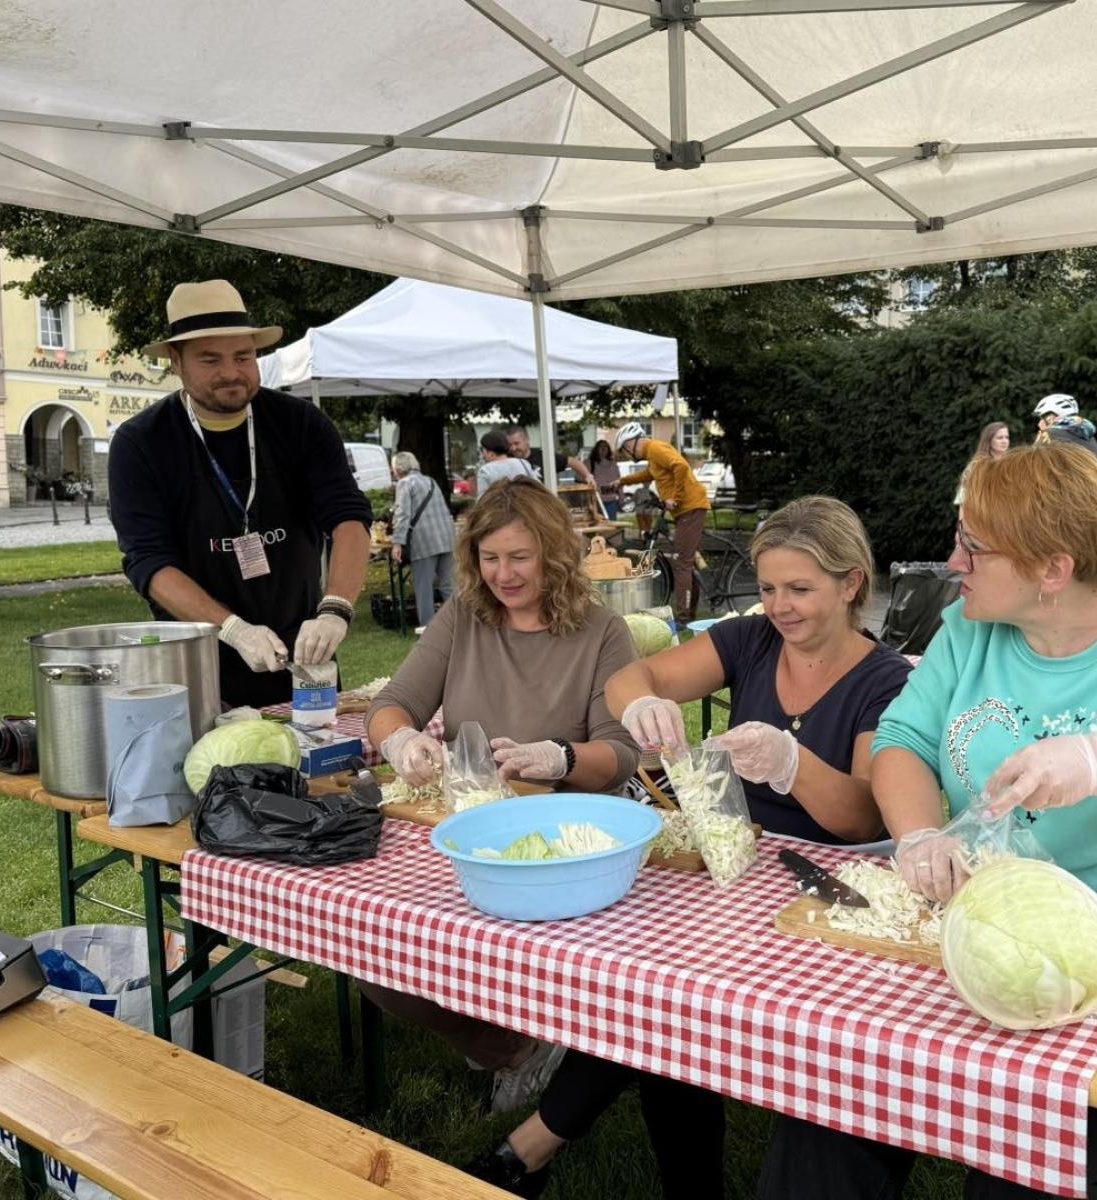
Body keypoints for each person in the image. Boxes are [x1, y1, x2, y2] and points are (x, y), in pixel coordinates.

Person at [761, 444, 1097, 1200]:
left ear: (1052, 570)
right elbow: (903, 743)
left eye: (974, 547)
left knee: (1015, 1169)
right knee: (825, 1113)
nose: (953, 562)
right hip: (972, 945)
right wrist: (921, 833)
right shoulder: (969, 631)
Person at [472, 496, 912, 1199]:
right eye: (768, 589)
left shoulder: (884, 680)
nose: (780, 607)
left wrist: (792, 763)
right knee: (648, 987)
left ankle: (534, 1148)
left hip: (821, 897)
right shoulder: (752, 641)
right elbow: (631, 678)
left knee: (665, 1002)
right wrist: (640, 701)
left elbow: (862, 817)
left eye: (800, 589)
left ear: (852, 583)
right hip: (728, 862)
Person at [362, 477, 641, 1116]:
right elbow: (390, 705)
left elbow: (619, 755)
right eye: (490, 559)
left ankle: (532, 1039)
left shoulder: (603, 631)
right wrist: (401, 741)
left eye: (520, 557)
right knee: (375, 959)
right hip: (471, 833)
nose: (504, 575)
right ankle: (511, 1048)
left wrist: (560, 758)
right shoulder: (464, 616)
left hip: (569, 844)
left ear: (553, 553)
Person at [108, 279, 371, 708]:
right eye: (210, 359)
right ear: (176, 361)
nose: (231, 372)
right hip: (195, 661)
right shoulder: (141, 443)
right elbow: (149, 562)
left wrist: (336, 608)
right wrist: (233, 629)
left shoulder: (301, 424)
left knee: (318, 769)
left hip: (305, 655)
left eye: (243, 356)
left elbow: (348, 518)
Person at [614, 421, 711, 622]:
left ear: (631, 444)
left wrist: (675, 497)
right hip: (687, 509)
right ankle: (690, 612)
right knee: (686, 560)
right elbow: (649, 474)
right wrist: (622, 481)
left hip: (690, 507)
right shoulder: (653, 456)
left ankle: (683, 619)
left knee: (681, 562)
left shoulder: (656, 448)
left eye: (624, 451)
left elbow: (681, 466)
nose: (626, 455)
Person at [390, 450, 457, 629]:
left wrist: (397, 542)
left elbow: (403, 514)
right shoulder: (430, 481)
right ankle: (462, 622)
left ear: (398, 468)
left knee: (423, 587)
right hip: (446, 537)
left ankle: (428, 628)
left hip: (424, 541)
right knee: (448, 584)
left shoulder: (404, 483)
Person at [505, 424, 595, 486]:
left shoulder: (543, 456)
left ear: (527, 440)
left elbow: (572, 461)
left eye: (516, 443)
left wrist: (588, 476)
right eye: (510, 445)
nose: (513, 448)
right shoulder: (506, 460)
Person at [954, 420, 1010, 506]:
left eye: (1007, 437)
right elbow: (963, 498)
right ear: (989, 440)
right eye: (1000, 438)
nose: (1004, 441)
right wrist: (962, 519)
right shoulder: (976, 466)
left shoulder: (1012, 465)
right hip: (984, 514)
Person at [475, 429, 535, 497]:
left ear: (490, 452)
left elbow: (482, 500)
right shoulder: (524, 463)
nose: (483, 456)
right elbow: (536, 488)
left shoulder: (485, 470)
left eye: (483, 451)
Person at [587, 438, 622, 520]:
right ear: (596, 449)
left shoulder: (613, 464)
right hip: (596, 501)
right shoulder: (589, 463)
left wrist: (621, 497)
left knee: (611, 525)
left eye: (605, 447)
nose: (603, 449)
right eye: (601, 447)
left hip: (611, 500)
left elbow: (619, 481)